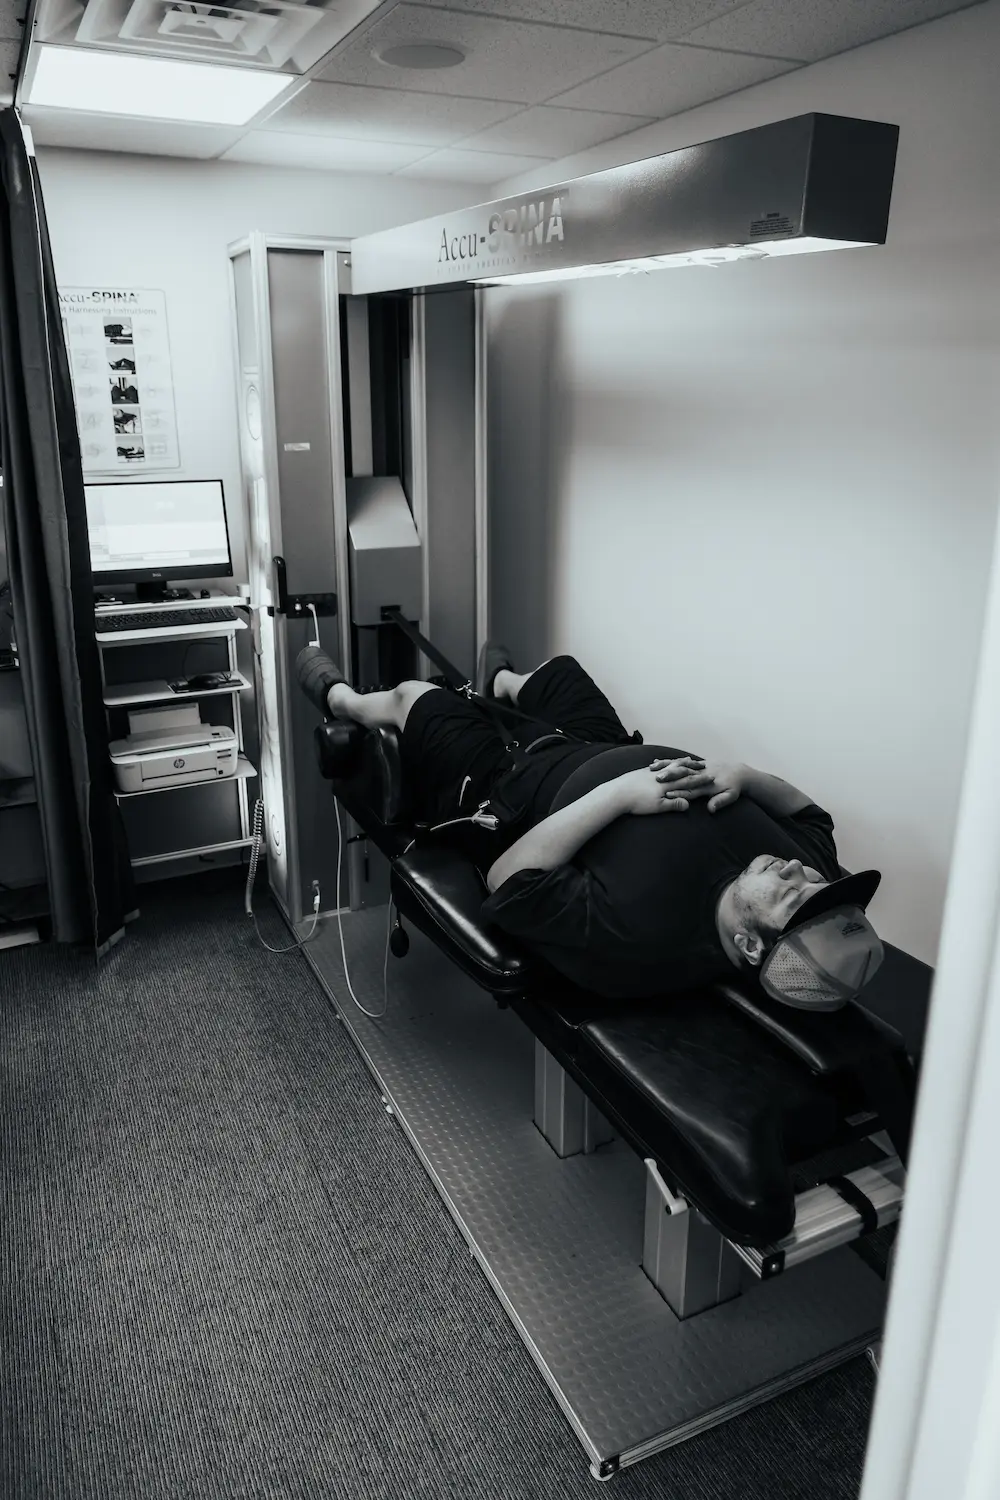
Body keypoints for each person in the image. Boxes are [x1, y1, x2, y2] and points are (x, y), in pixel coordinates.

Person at [296, 643, 884, 1011]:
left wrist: (621, 795)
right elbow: (811, 814)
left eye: (789, 893)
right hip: (594, 744)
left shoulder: (639, 939)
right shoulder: (806, 871)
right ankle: (500, 685)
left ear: (751, 945)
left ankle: (341, 698)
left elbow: (509, 878)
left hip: (508, 782)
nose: (797, 870)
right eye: (813, 880)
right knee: (561, 672)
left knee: (413, 695)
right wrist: (745, 776)